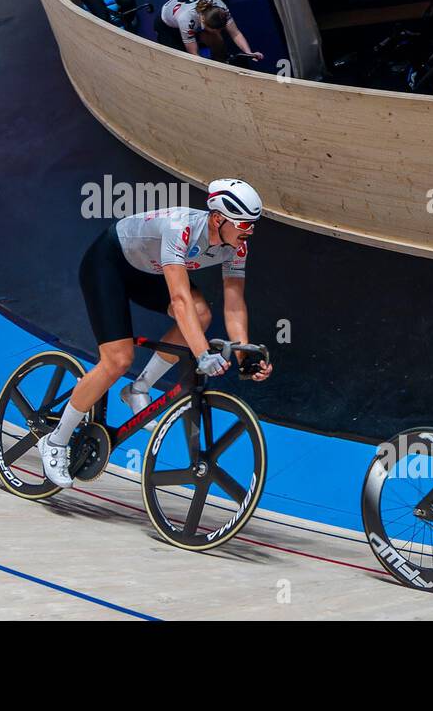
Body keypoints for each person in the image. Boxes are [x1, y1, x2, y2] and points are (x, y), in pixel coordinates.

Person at [39, 179, 274, 488]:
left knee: (202, 314)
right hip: (109, 264)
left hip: (148, 272)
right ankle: (55, 441)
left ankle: (139, 389)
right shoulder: (182, 229)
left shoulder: (237, 246)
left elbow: (233, 304)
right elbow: (179, 300)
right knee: (118, 360)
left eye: (253, 224)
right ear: (218, 218)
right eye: (244, 224)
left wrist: (244, 354)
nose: (250, 231)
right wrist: (202, 354)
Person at [156, 0, 261, 62]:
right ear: (203, 22)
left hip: (190, 14)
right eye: (215, 29)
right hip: (167, 26)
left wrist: (249, 53)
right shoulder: (186, 19)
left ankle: (223, 62)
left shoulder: (220, 8)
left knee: (217, 40)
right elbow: (194, 54)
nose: (219, 31)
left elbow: (236, 33)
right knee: (179, 59)